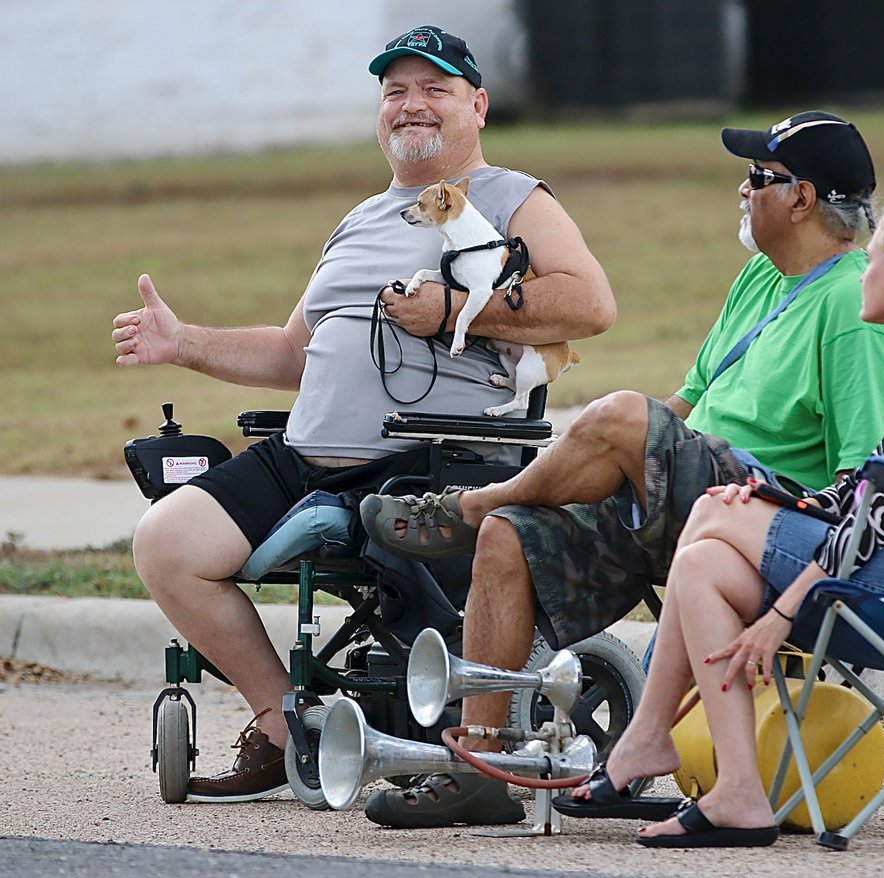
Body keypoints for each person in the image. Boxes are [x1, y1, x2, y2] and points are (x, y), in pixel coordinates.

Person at [357, 111, 884, 827]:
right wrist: (607, 458)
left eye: (756, 180)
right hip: (686, 495)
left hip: (768, 518)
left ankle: (469, 505)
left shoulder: (852, 307)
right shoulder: (759, 280)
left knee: (619, 415)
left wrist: (626, 434)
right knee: (511, 536)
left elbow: (861, 479)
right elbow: (685, 404)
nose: (741, 193)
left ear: (802, 199)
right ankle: (481, 769)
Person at [110, 25, 615, 804]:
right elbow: (292, 355)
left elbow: (590, 303)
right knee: (166, 541)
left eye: (434, 90)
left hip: (429, 458)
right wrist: (185, 344)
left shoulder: (513, 197)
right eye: (395, 92)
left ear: (476, 106)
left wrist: (455, 308)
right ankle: (286, 727)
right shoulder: (360, 219)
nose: (411, 106)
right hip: (307, 455)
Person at [565, 198, 884, 848]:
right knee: (704, 557)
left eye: (869, 262)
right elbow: (876, 496)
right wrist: (775, 499)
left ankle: (649, 739)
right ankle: (737, 793)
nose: (858, 274)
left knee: (711, 509)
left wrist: (782, 611)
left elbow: (880, 512)